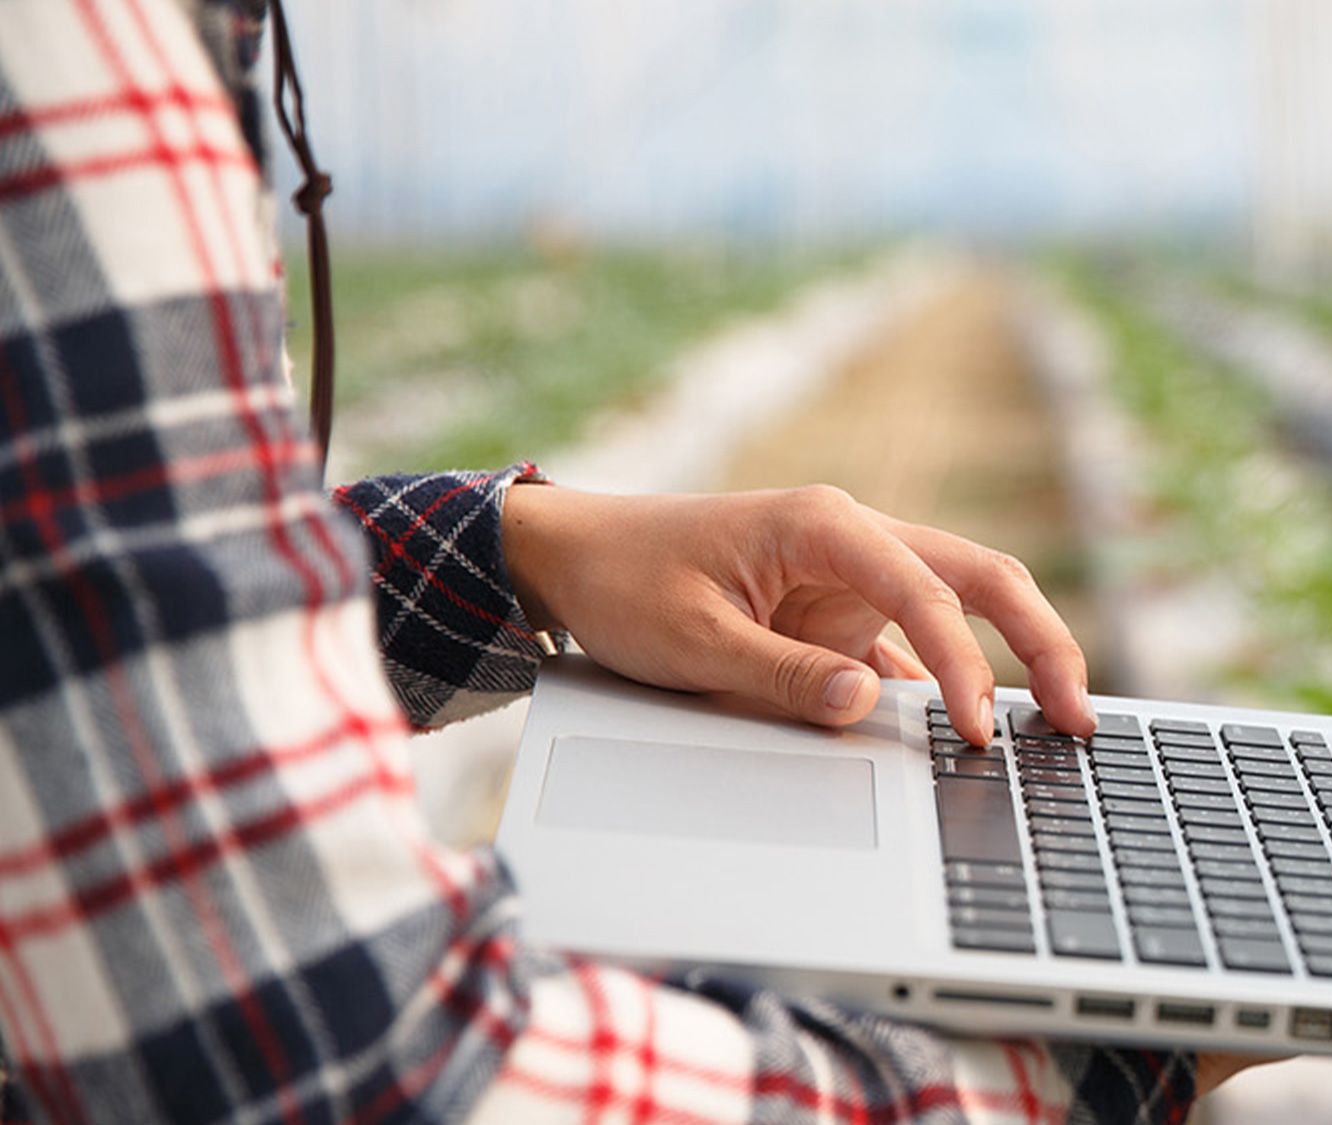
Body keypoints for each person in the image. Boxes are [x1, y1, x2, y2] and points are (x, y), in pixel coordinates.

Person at [0, 0, 1258, 1118]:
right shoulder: (71, 70)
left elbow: (61, 601)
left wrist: (528, 551)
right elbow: (327, 1065)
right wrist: (1067, 1070)